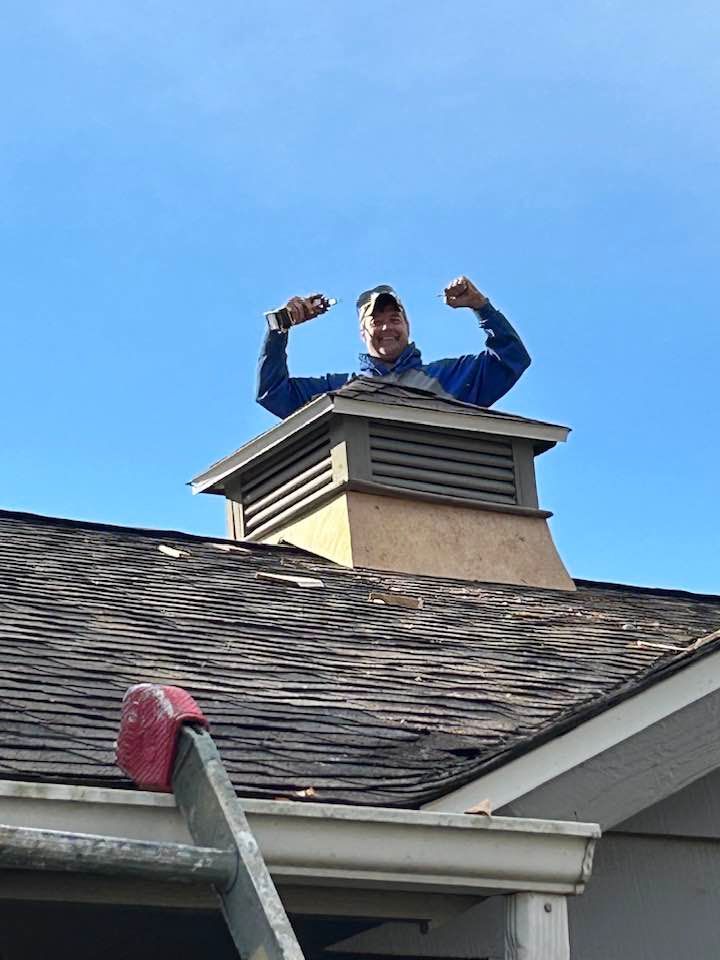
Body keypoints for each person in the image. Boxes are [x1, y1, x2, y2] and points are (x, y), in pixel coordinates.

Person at [256, 276, 531, 419]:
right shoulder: (338, 390)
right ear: (363, 333)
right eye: (376, 322)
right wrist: (280, 327)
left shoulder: (449, 377)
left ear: (407, 326)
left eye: (394, 319)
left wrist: (480, 306)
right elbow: (274, 394)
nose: (386, 328)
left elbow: (512, 358)